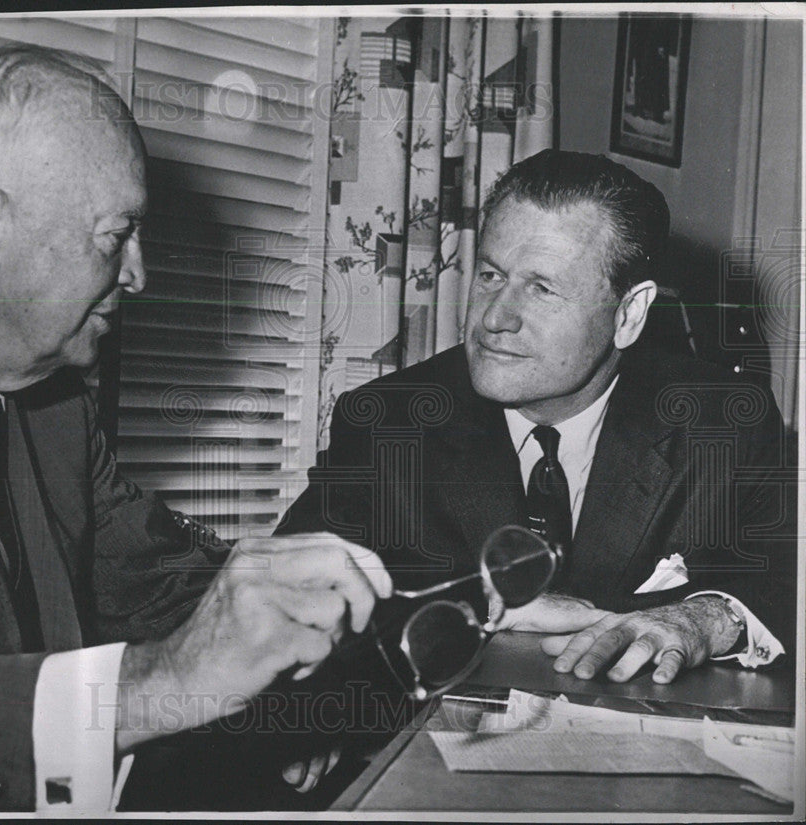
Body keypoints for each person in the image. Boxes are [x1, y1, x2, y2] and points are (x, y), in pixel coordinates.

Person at [0, 45, 392, 813]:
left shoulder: (51, 401)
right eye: (115, 234)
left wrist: (400, 616)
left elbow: (162, 578)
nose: (139, 273)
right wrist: (163, 683)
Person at [277, 149, 796, 688]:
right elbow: (286, 592)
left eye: (542, 288)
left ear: (629, 314)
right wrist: (481, 606)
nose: (495, 317)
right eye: (490, 275)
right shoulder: (386, 423)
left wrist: (706, 618)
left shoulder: (725, 422)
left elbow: (789, 581)